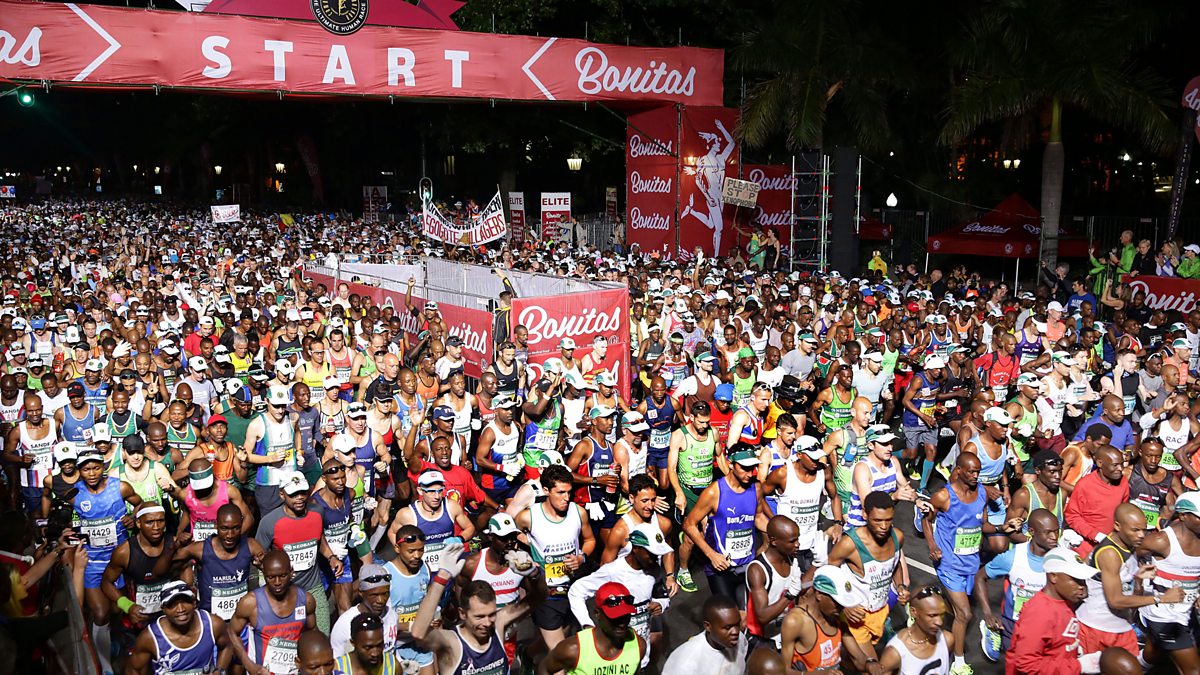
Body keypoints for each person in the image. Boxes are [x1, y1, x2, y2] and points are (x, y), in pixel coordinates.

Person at [74, 448, 141, 675]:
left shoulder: (120, 487)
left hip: (118, 562)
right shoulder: (74, 494)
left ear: (103, 467)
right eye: (85, 469)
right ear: (79, 471)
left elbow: (140, 504)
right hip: (92, 562)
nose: (91, 473)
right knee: (100, 612)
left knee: (116, 609)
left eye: (95, 468)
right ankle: (102, 663)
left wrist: (134, 518)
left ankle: (116, 640)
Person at [513, 463, 595, 651]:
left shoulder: (578, 512)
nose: (566, 498)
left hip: (573, 588)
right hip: (545, 592)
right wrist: (529, 551)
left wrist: (581, 558)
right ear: (545, 490)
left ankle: (527, 654)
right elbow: (512, 537)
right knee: (562, 651)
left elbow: (590, 540)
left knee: (563, 634)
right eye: (560, 493)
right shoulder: (528, 517)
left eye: (569, 492)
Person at [924, 453, 991, 675]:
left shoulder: (981, 492)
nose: (975, 476)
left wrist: (1003, 529)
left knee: (953, 608)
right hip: (948, 562)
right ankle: (958, 663)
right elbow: (926, 518)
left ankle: (923, 604)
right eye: (971, 471)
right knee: (964, 614)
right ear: (959, 470)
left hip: (970, 562)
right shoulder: (943, 496)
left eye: (978, 472)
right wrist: (933, 545)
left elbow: (983, 524)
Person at [569, 524, 672, 668]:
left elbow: (661, 594)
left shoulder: (654, 569)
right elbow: (576, 591)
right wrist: (587, 625)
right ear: (635, 548)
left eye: (657, 554)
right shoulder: (613, 571)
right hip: (616, 657)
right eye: (651, 553)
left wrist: (661, 603)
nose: (655, 558)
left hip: (641, 652)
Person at [1079, 503, 1178, 654]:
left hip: (1121, 627)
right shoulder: (1109, 553)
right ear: (1118, 526)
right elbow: (1116, 600)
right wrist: (1160, 598)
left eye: (1144, 529)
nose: (1141, 535)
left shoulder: (1129, 546)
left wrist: (1137, 580)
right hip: (1098, 629)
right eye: (1135, 530)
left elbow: (1128, 595)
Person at [829, 489, 908, 671]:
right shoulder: (850, 544)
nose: (883, 526)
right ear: (865, 514)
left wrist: (900, 585)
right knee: (873, 668)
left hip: (880, 612)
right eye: (877, 520)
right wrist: (843, 606)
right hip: (855, 616)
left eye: (888, 520)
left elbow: (894, 564)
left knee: (853, 663)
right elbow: (828, 574)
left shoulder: (898, 537)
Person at [255, 470, 337, 634]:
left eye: (302, 493)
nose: (299, 498)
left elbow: (317, 539)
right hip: (283, 592)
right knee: (288, 639)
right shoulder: (270, 522)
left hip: (313, 587)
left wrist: (331, 556)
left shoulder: (317, 513)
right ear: (282, 495)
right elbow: (258, 555)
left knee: (321, 636)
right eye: (293, 494)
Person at [1004, 548, 1107, 675]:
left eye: (1083, 580)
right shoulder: (1040, 613)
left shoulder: (1065, 601)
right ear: (1053, 576)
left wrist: (1071, 650)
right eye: (1075, 579)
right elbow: (1026, 664)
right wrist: (1078, 666)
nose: (1082, 585)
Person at [682, 444, 763, 604]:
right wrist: (711, 555)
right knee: (728, 618)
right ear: (731, 464)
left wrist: (778, 536)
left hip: (747, 563)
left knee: (747, 619)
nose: (750, 473)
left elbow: (759, 517)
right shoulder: (714, 492)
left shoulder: (756, 488)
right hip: (720, 568)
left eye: (752, 467)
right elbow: (689, 524)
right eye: (744, 468)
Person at [978, 509, 1059, 660]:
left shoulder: (1062, 558)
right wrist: (988, 613)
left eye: (1056, 531)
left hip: (1047, 628)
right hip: (1013, 626)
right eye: (1048, 532)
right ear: (1032, 531)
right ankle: (993, 630)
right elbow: (980, 577)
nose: (1054, 537)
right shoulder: (1012, 558)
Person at [1137, 491, 1200, 674]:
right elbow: (1132, 554)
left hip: (1186, 610)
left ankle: (1134, 667)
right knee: (1194, 670)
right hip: (1163, 614)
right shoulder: (1161, 541)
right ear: (1183, 515)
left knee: (1155, 653)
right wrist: (1141, 577)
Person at [227, 550, 318, 675]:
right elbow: (231, 632)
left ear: (291, 572)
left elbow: (313, 633)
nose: (277, 582)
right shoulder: (250, 603)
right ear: (263, 574)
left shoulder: (306, 601)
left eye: (283, 576)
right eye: (271, 577)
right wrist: (250, 666)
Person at [173, 502, 265, 621]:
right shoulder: (199, 549)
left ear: (242, 525)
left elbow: (272, 572)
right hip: (209, 620)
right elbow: (165, 569)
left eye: (235, 528)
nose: (230, 535)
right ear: (216, 525)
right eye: (224, 528)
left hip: (240, 619)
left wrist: (263, 566)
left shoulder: (251, 545)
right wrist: (177, 546)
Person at [539, 580, 646, 675]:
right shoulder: (573, 649)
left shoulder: (638, 646)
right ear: (597, 614)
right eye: (614, 617)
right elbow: (544, 669)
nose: (622, 623)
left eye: (625, 616)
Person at [667, 401, 716, 593]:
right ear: (692, 418)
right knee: (690, 537)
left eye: (707, 422)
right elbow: (671, 468)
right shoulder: (679, 436)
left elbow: (719, 457)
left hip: (708, 490)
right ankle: (684, 571)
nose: (705, 425)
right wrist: (679, 493)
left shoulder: (713, 433)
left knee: (709, 530)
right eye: (701, 422)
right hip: (689, 490)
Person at [1063, 445, 1129, 558]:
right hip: (1086, 548)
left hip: (1111, 547)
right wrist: (1096, 535)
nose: (1120, 469)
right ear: (1099, 463)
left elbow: (1123, 511)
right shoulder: (1085, 485)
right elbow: (1072, 516)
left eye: (1121, 464)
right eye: (1115, 465)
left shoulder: (1123, 482)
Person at [745, 515, 801, 648]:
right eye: (792, 541)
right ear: (774, 541)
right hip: (764, 641)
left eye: (798, 539)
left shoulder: (791, 559)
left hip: (788, 633)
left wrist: (818, 563)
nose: (798, 544)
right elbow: (763, 616)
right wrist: (790, 595)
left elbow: (799, 586)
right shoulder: (758, 570)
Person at [661, 595, 747, 675]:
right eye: (728, 627)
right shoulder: (685, 663)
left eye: (737, 624)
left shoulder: (739, 639)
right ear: (708, 626)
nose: (735, 632)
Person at [334, 612, 403, 675]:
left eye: (379, 645)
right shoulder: (337, 668)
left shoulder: (393, 665)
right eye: (368, 648)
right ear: (353, 643)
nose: (375, 653)